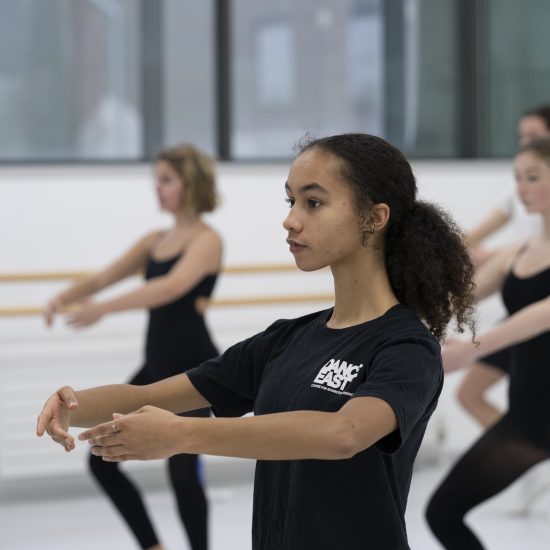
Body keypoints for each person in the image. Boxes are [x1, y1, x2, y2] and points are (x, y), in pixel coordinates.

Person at [37, 133, 476, 550]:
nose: (290, 219)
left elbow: (345, 432)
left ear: (374, 218)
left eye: (314, 202)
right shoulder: (287, 339)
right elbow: (149, 395)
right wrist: (71, 402)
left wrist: (184, 434)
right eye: (291, 200)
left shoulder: (406, 348)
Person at [43, 144, 222, 550]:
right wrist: (64, 297)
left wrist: (103, 309)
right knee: (102, 460)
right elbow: (105, 276)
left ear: (189, 184)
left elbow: (171, 286)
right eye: (155, 180)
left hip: (193, 370)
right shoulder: (155, 240)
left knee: (182, 470)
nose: (157, 189)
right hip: (156, 366)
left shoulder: (207, 240)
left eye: (166, 180)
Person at [426, 136, 550, 549]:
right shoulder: (521, 251)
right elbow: (457, 297)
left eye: (533, 177)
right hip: (530, 422)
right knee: (442, 514)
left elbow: (542, 315)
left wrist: (472, 349)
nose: (521, 188)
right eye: (517, 177)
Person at [457, 104, 550, 429]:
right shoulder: (520, 201)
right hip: (521, 299)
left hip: (534, 312)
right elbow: (470, 244)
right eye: (522, 136)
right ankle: (531, 461)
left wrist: (470, 347)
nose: (525, 142)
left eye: (534, 136)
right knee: (472, 395)